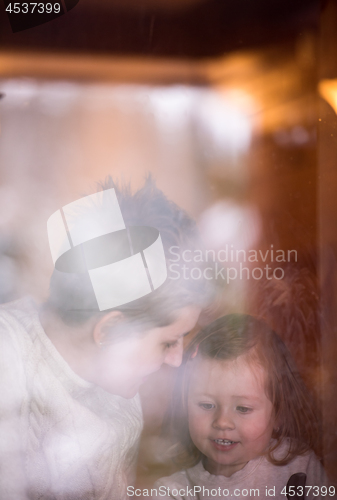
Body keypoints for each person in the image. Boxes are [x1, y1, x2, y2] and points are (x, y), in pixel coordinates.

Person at [0, 177, 209, 500]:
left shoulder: (122, 397)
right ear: (110, 332)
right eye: (168, 342)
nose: (176, 359)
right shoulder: (7, 363)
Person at [152, 314, 331, 500]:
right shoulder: (174, 492)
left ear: (278, 414)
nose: (222, 422)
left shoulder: (300, 467)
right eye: (206, 405)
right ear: (184, 407)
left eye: (243, 408)